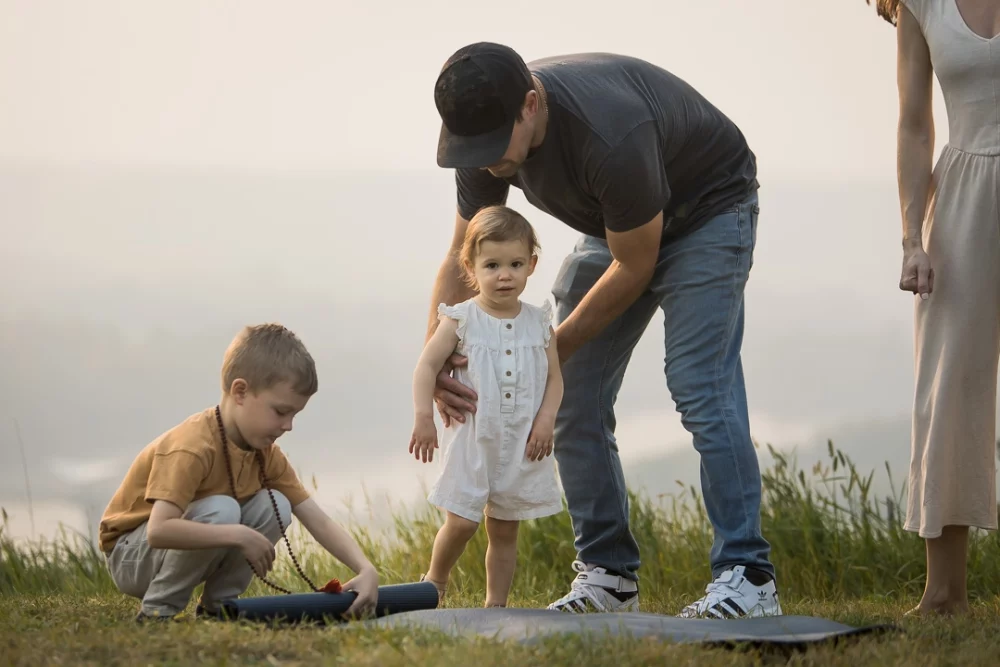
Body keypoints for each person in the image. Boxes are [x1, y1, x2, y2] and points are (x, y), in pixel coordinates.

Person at [426, 42, 781, 618]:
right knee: (570, 396)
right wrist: (439, 355)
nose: (486, 161)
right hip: (618, 225)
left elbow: (637, 264)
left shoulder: (609, 133)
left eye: (494, 146)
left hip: (706, 211)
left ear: (530, 106)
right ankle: (609, 576)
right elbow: (460, 258)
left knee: (700, 384)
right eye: (471, 148)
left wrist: (545, 349)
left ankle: (748, 576)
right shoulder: (480, 131)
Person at [98, 323, 380, 621]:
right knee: (222, 510)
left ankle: (219, 607)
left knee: (278, 505)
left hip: (170, 547)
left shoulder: (265, 454)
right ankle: (157, 612)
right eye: (281, 412)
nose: (288, 426)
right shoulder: (192, 447)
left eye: (294, 415)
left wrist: (365, 568)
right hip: (130, 555)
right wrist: (238, 534)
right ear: (240, 391)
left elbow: (317, 519)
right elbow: (158, 531)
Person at [866, 0, 1000, 616]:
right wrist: (912, 240)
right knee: (947, 386)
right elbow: (914, 124)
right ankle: (945, 596)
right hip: (965, 198)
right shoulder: (922, 4)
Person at [409, 204, 564, 608]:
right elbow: (426, 365)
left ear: (531, 264)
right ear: (471, 266)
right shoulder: (461, 319)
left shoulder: (539, 322)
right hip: (473, 439)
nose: (504, 275)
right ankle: (434, 583)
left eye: (515, 263)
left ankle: (496, 605)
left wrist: (546, 421)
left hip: (520, 442)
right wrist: (424, 417)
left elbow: (554, 379)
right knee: (460, 521)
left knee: (505, 529)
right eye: (492, 265)